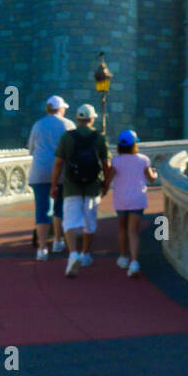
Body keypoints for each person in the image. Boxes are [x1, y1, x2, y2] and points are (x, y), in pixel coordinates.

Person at [50, 103, 111, 277]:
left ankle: (73, 254)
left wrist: (54, 185)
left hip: (71, 185)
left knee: (70, 221)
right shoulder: (99, 138)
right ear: (92, 119)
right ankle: (85, 254)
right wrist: (106, 184)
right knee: (89, 222)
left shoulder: (67, 137)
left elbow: (58, 163)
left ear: (77, 119)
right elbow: (106, 164)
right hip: (92, 185)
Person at [27, 96, 74, 259]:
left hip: (39, 172)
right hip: (61, 172)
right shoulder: (68, 124)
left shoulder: (38, 124)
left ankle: (41, 248)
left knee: (42, 209)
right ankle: (57, 241)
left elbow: (31, 148)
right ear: (60, 109)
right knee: (59, 207)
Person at [110, 128, 158, 277]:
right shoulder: (143, 159)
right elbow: (152, 178)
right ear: (135, 144)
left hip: (121, 198)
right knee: (133, 231)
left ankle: (123, 257)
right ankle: (134, 261)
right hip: (138, 198)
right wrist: (155, 172)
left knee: (122, 228)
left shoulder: (115, 161)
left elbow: (108, 178)